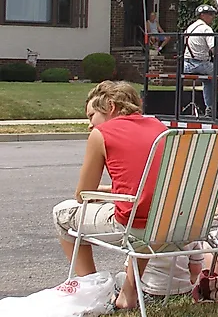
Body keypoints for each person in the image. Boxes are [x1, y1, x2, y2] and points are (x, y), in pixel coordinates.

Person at [53, 81, 167, 310]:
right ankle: (128, 294)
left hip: (137, 226)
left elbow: (82, 194)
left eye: (91, 115)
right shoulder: (160, 127)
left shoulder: (101, 134)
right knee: (147, 214)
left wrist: (101, 194)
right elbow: (148, 186)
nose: (89, 125)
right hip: (175, 225)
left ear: (110, 106)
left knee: (62, 215)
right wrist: (111, 192)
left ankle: (96, 290)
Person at [184, 4, 218, 116]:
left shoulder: (190, 27)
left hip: (186, 64)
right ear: (202, 15)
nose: (212, 17)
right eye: (210, 14)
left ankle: (210, 109)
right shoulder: (206, 28)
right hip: (199, 64)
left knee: (209, 81)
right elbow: (215, 50)